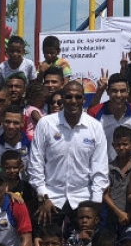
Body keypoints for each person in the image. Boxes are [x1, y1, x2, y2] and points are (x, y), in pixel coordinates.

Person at [29, 81, 109, 230]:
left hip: (84, 199)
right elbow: (36, 163)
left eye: (78, 97)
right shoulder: (46, 124)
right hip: (50, 199)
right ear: (62, 99)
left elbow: (100, 167)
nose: (73, 101)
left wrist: (95, 204)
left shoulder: (95, 127)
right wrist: (43, 197)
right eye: (68, 97)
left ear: (84, 100)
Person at [89, 74, 131, 160]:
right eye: (114, 91)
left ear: (128, 92)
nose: (118, 95)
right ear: (108, 92)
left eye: (123, 91)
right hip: (103, 169)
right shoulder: (95, 113)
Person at [103, 125, 131, 229]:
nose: (121, 148)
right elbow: (105, 194)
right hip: (112, 218)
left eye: (125, 144)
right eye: (118, 145)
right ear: (113, 145)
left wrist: (130, 214)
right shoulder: (108, 167)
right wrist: (119, 213)